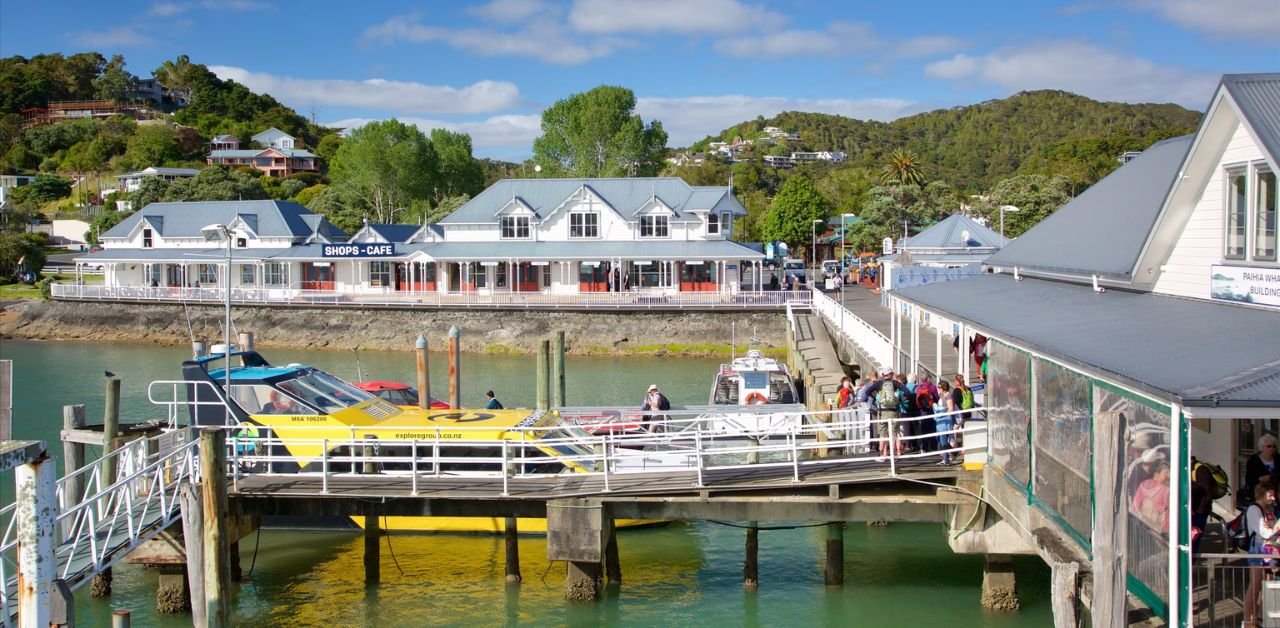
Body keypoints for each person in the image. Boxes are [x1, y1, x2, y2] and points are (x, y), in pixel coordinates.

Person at [1244, 482, 1280, 627]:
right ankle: (1248, 620)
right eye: (1270, 495)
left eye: (1273, 495)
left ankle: (1260, 617)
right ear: (1261, 494)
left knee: (1267, 586)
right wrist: (1274, 528)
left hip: (1269, 550)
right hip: (1258, 550)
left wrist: (1273, 527)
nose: (1273, 498)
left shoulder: (1269, 509)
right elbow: (1265, 532)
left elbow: (1273, 528)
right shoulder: (1254, 509)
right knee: (1255, 586)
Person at [1131, 462, 1170, 531]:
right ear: (1157, 473)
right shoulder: (1166, 490)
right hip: (1155, 525)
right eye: (1166, 472)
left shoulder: (1144, 484)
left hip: (1143, 523)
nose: (1168, 475)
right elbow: (1166, 513)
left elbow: (1135, 505)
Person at [1245, 433, 1280, 506]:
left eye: (1274, 446)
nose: (1272, 448)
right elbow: (1249, 480)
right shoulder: (1253, 460)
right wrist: (1259, 479)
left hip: (1275, 494)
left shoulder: (1278, 458)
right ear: (1262, 447)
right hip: (1260, 496)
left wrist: (1271, 477)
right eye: (1269, 446)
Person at [935, 381, 958, 465]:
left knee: (943, 439)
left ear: (944, 387)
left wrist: (942, 413)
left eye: (939, 387)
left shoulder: (948, 395)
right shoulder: (941, 395)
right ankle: (951, 452)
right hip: (940, 420)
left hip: (946, 420)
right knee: (939, 438)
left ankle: (946, 458)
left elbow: (951, 409)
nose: (938, 389)